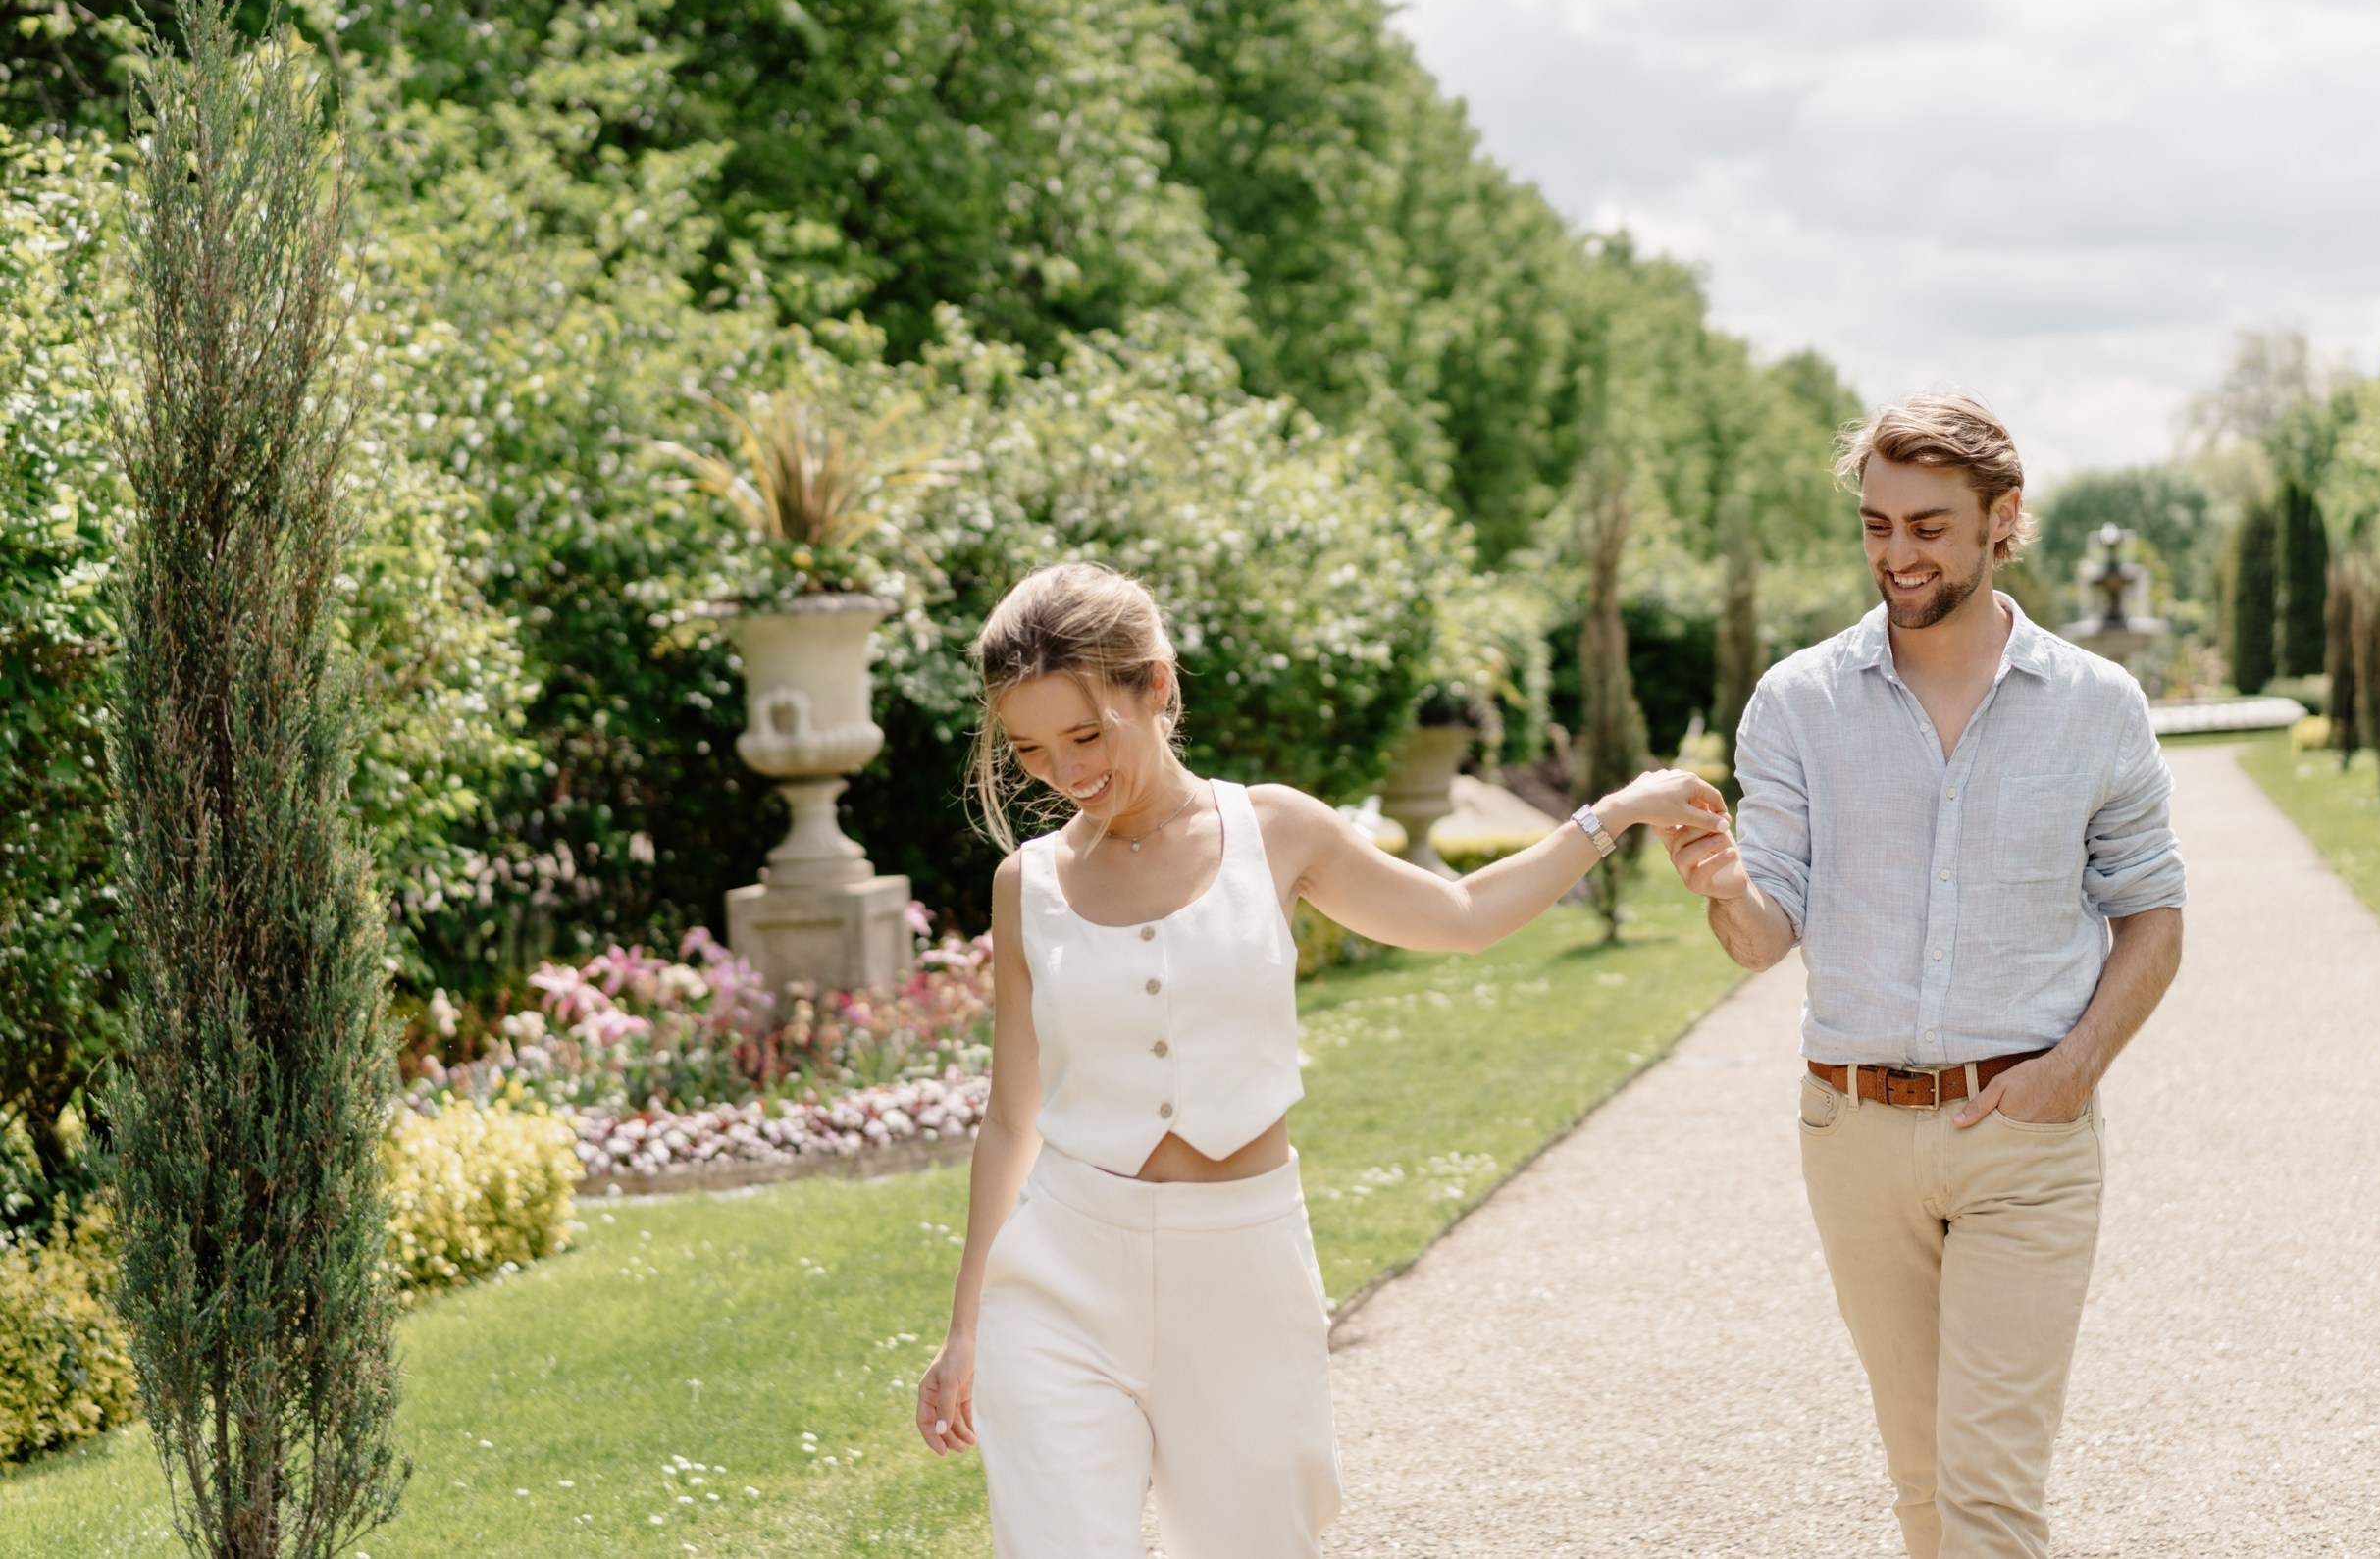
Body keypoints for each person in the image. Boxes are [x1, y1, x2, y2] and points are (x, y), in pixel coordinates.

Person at [915, 560, 1729, 1558]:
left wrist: (1612, 815)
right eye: (1031, 751)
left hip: (1241, 1267)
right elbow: (1010, 1117)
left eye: (1086, 735)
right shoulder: (1026, 882)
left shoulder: (1275, 830)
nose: (1064, 772)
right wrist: (968, 1331)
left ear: (1157, 687)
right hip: (1062, 1274)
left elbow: (1461, 916)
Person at [1664, 393, 2186, 1559]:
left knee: (1989, 1501)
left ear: (2004, 522)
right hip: (1851, 1132)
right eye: (1876, 525)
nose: (1898, 555)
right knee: (1922, 1487)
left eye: (1930, 526)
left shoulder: (2098, 706)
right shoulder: (1796, 702)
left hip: (2026, 1136)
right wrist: (1721, 884)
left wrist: (2070, 1072)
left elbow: (2153, 913)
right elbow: (1763, 936)